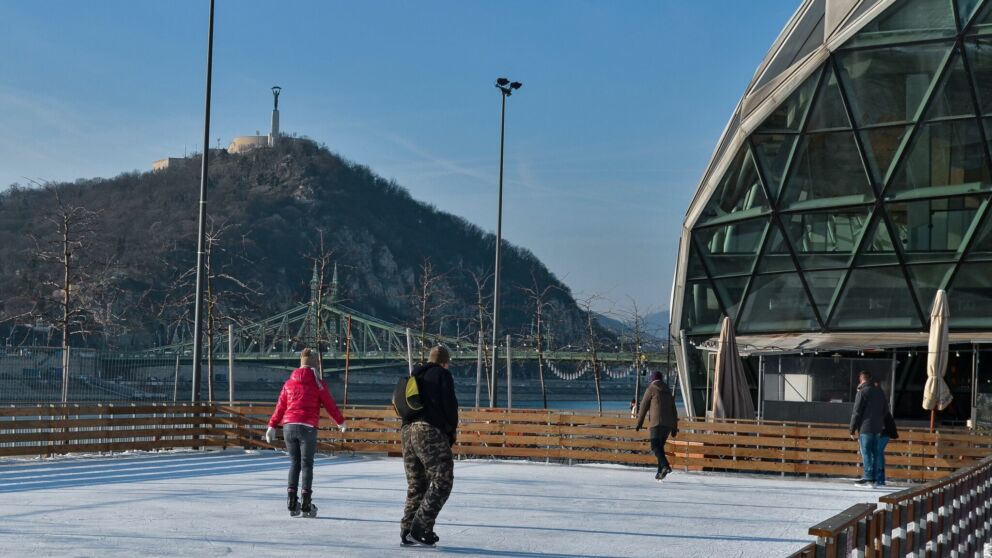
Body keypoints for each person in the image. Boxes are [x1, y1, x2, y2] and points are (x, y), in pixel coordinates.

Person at [265, 348, 346, 517]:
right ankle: (306, 504)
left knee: (294, 464)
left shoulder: (289, 383)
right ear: (315, 365)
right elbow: (330, 404)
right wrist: (340, 421)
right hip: (307, 428)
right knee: (307, 464)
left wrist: (272, 426)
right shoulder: (318, 383)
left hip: (288, 427)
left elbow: (280, 407)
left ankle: (291, 501)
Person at [401, 345, 459, 547]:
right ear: (444, 362)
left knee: (417, 484)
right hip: (428, 431)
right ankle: (420, 527)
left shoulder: (415, 375)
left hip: (407, 432)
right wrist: (450, 434)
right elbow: (450, 406)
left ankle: (407, 531)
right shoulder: (442, 374)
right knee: (443, 479)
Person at [635, 371, 679, 481]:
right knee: (660, 447)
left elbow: (643, 406)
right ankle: (660, 472)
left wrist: (639, 423)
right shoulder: (668, 390)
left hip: (656, 423)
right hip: (668, 425)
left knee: (655, 447)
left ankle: (665, 466)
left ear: (652, 379)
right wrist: (674, 427)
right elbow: (674, 410)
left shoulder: (651, 389)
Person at [849, 371, 888, 487]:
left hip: (865, 428)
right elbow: (885, 410)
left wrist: (852, 429)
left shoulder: (862, 392)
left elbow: (856, 411)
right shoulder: (880, 391)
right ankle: (875, 479)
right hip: (877, 428)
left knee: (866, 453)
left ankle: (868, 478)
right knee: (875, 453)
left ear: (861, 379)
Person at [874, 379, 898, 487]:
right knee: (879, 452)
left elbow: (883, 415)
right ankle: (879, 478)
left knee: (878, 452)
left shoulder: (878, 398)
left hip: (884, 430)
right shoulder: (879, 397)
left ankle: (879, 478)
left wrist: (880, 428)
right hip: (883, 429)